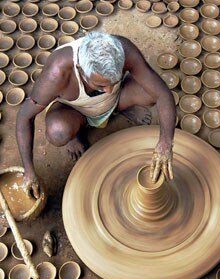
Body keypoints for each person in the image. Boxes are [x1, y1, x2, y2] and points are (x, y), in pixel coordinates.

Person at [16, 31, 176, 198]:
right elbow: (24, 117)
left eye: (113, 81)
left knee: (150, 91)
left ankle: (120, 108)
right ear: (80, 69)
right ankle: (75, 134)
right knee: (58, 132)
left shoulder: (124, 50)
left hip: (115, 100)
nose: (107, 89)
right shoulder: (57, 73)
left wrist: (165, 143)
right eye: (100, 85)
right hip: (77, 111)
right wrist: (29, 171)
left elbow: (163, 94)